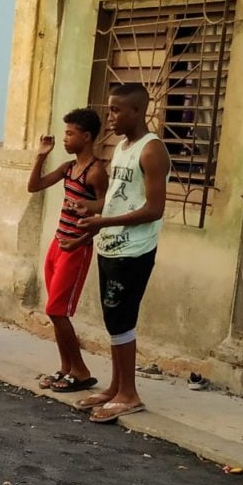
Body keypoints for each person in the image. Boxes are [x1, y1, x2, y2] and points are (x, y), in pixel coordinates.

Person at [76, 83, 170, 424]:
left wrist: (105, 220)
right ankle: (116, 387)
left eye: (116, 110)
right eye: (110, 109)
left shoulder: (151, 149)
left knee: (122, 318)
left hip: (134, 249)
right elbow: (118, 197)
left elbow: (154, 208)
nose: (110, 116)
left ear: (136, 111)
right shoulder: (123, 148)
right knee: (112, 319)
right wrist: (93, 210)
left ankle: (129, 394)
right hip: (110, 243)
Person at [27, 108, 109, 393]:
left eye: (70, 134)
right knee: (55, 312)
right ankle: (66, 368)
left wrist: (80, 240)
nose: (65, 139)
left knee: (57, 310)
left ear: (86, 137)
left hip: (76, 248)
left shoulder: (95, 172)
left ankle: (82, 371)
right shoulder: (68, 168)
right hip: (58, 244)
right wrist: (41, 154)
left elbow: (105, 212)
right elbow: (34, 186)